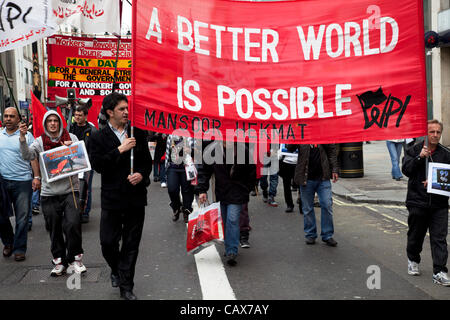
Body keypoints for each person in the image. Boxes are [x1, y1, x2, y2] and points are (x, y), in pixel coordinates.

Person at [89, 92, 152, 300]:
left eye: (127, 108)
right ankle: (116, 269)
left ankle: (126, 286)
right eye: (121, 109)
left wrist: (141, 174)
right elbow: (98, 165)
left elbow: (147, 162)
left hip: (135, 198)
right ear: (110, 113)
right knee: (107, 243)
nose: (126, 112)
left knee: (131, 244)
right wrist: (120, 149)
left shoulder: (137, 132)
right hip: (112, 199)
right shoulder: (98, 137)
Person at [19, 110, 86, 275]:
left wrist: (72, 149)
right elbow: (27, 155)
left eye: (55, 120)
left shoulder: (71, 138)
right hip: (49, 193)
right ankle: (59, 260)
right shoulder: (39, 142)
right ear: (45, 124)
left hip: (70, 190)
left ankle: (75, 259)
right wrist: (22, 138)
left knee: (72, 225)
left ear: (60, 122)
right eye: (49, 121)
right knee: (54, 228)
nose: (53, 123)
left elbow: (81, 158)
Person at [402, 119, 450, 286]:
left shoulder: (446, 154)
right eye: (432, 132)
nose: (435, 135)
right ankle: (413, 259)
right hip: (417, 202)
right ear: (426, 133)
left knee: (439, 238)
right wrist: (419, 157)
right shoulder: (413, 149)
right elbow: (406, 170)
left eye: (438, 132)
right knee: (416, 235)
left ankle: (440, 271)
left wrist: (435, 181)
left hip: (440, 204)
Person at [197, 141, 256, 266]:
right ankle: (229, 246)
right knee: (224, 221)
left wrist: (247, 189)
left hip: (238, 192)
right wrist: (202, 190)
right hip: (222, 192)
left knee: (232, 220)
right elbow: (205, 171)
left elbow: (251, 171)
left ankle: (231, 251)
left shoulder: (243, 150)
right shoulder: (213, 150)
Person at [0, 107, 41, 261]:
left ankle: (19, 248)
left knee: (22, 218)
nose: (8, 119)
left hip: (23, 181)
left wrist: (36, 177)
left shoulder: (27, 136)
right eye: (6, 116)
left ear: (18, 119)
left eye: (12, 116)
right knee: (1, 217)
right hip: (2, 182)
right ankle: (8, 242)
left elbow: (33, 157)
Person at [293, 144, 339, 246]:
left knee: (327, 204)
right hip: (306, 179)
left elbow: (332, 152)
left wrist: (335, 170)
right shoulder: (302, 135)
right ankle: (310, 234)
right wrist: (295, 134)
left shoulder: (322, 134)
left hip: (323, 178)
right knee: (307, 208)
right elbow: (289, 148)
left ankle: (327, 235)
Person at [69, 105, 97, 223]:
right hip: (72, 163)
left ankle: (85, 212)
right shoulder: (70, 128)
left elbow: (95, 147)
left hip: (86, 164)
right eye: (76, 115)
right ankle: (74, 211)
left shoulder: (91, 130)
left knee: (86, 188)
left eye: (80, 115)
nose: (77, 117)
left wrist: (90, 161)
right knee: (72, 188)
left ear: (85, 116)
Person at [164, 134, 195, 223]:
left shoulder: (191, 135)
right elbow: (167, 151)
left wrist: (190, 151)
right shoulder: (171, 135)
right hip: (173, 166)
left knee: (187, 190)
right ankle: (176, 207)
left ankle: (187, 211)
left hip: (187, 166)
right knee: (172, 189)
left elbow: (198, 151)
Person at [278, 144, 302, 213]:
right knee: (287, 185)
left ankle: (296, 205)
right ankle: (290, 205)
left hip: (298, 164)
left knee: (300, 185)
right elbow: (280, 153)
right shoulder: (284, 138)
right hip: (286, 164)